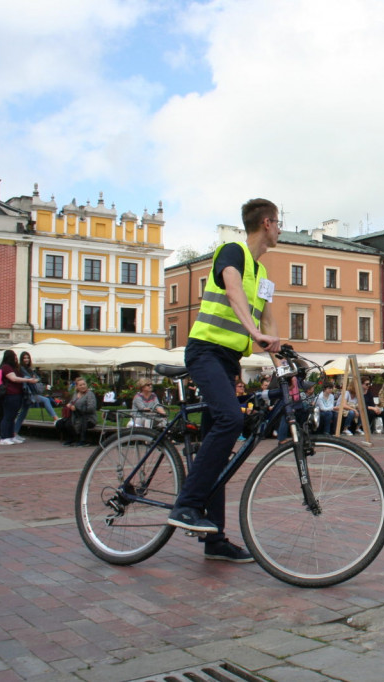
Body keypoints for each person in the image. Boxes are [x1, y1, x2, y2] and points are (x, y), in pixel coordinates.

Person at [166, 197, 282, 563]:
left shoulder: (263, 276)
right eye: (279, 223)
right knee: (231, 419)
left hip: (229, 360)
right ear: (266, 223)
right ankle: (185, 505)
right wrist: (255, 333)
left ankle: (214, 538)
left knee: (222, 446)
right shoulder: (231, 252)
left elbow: (269, 323)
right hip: (204, 352)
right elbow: (233, 293)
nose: (280, 229)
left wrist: (283, 363)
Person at [0, 349, 40, 445]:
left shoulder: (13, 367)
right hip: (9, 394)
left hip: (17, 394)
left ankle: (11, 435)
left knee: (12, 416)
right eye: (14, 356)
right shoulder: (6, 367)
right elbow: (13, 378)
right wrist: (28, 380)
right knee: (7, 416)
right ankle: (4, 437)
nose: (16, 358)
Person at [13, 351, 58, 441]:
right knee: (45, 400)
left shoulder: (29, 369)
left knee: (23, 414)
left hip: (30, 393)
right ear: (21, 359)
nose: (26, 359)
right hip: (28, 394)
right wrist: (32, 379)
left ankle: (14, 433)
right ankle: (55, 418)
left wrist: (34, 378)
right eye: (25, 358)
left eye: (27, 358)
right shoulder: (21, 368)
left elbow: (37, 378)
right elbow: (29, 378)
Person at [60, 377, 97, 446]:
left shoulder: (90, 394)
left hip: (88, 417)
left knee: (82, 422)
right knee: (61, 423)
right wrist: (69, 405)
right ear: (77, 387)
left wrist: (77, 408)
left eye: (84, 384)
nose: (83, 386)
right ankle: (71, 438)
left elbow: (91, 408)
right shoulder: (75, 394)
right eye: (80, 385)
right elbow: (71, 402)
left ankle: (82, 440)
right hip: (76, 416)